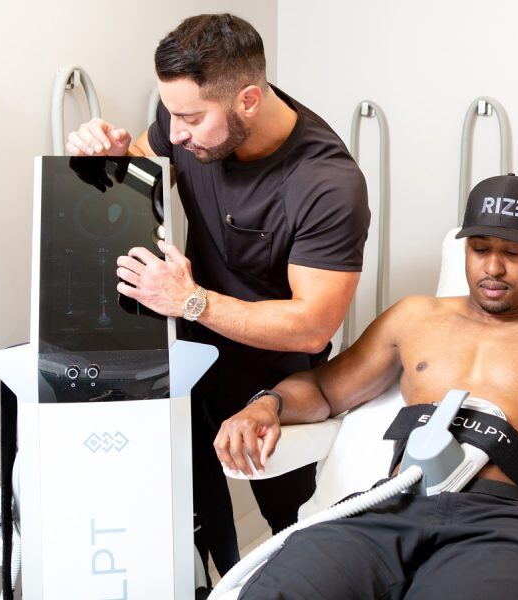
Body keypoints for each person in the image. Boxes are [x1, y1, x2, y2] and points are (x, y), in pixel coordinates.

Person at [66, 13, 370, 578]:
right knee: (188, 510)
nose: (176, 132)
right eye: (171, 113)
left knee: (300, 534)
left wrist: (191, 301)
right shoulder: (185, 117)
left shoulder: (327, 184)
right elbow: (147, 172)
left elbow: (312, 327)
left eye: (190, 119)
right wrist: (113, 160)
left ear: (248, 100)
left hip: (274, 378)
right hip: (187, 354)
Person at [215, 173, 518, 599]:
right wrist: (266, 405)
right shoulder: (415, 317)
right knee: (278, 590)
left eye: (513, 253)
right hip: (390, 505)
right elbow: (324, 391)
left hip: (501, 520)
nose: (493, 268)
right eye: (480, 249)